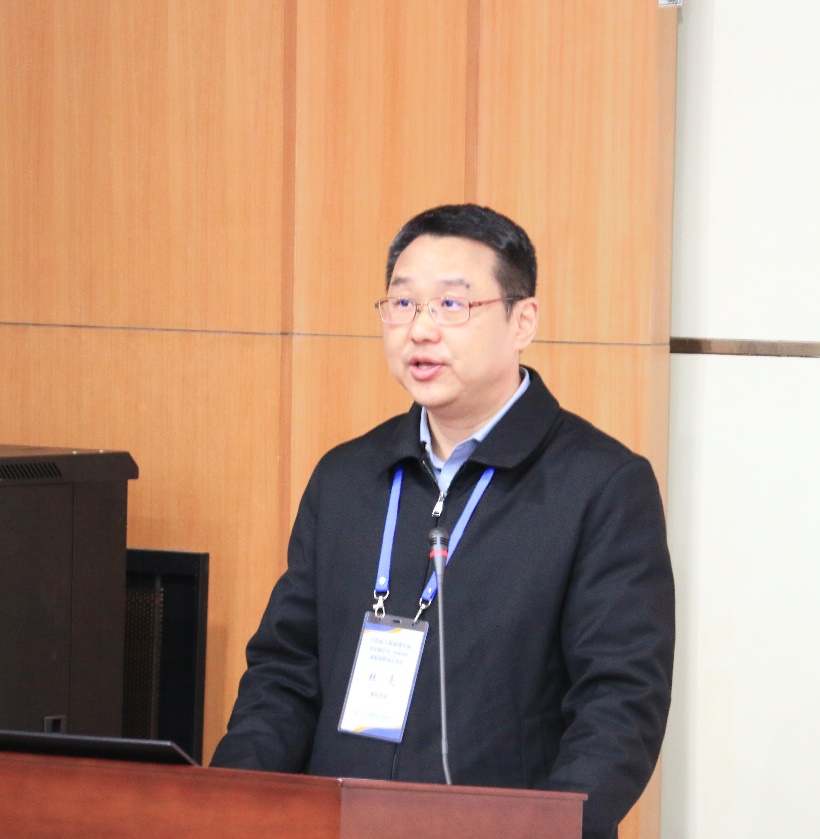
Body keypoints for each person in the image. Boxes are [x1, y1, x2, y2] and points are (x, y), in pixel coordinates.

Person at [211, 204, 675, 839]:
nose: (420, 330)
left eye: (451, 305)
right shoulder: (347, 477)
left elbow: (619, 706)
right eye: (402, 304)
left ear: (522, 321)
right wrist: (230, 808)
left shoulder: (600, 485)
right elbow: (284, 674)